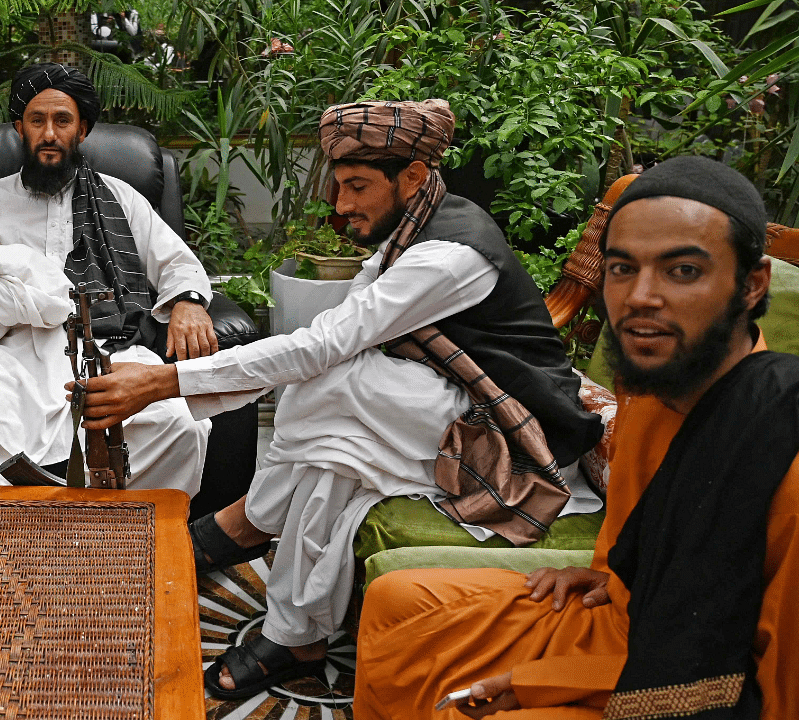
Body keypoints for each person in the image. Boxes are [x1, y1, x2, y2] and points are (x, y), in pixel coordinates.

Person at [75, 99, 604, 699]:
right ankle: (288, 620)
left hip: (513, 433)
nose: (342, 205)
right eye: (339, 185)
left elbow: (324, 344)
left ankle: (251, 534)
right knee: (338, 446)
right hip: (452, 399)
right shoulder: (413, 227)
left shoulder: (448, 255)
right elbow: (334, 338)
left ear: (412, 177)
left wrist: (163, 382)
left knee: (333, 388)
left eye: (357, 186)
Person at [351, 156, 799, 719]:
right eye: (623, 269)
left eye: (682, 272)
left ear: (751, 286)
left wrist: (543, 682)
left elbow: (778, 701)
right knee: (395, 607)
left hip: (735, 688)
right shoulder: (654, 387)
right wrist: (609, 573)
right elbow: (638, 539)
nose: (639, 297)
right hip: (636, 623)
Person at [0, 63, 216, 492]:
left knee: (182, 429)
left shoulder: (120, 197)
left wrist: (188, 303)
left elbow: (177, 263)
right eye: (36, 120)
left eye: (62, 121)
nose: (48, 134)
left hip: (106, 347)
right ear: (18, 128)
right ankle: (8, 542)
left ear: (82, 130)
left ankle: (125, 541)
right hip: (8, 353)